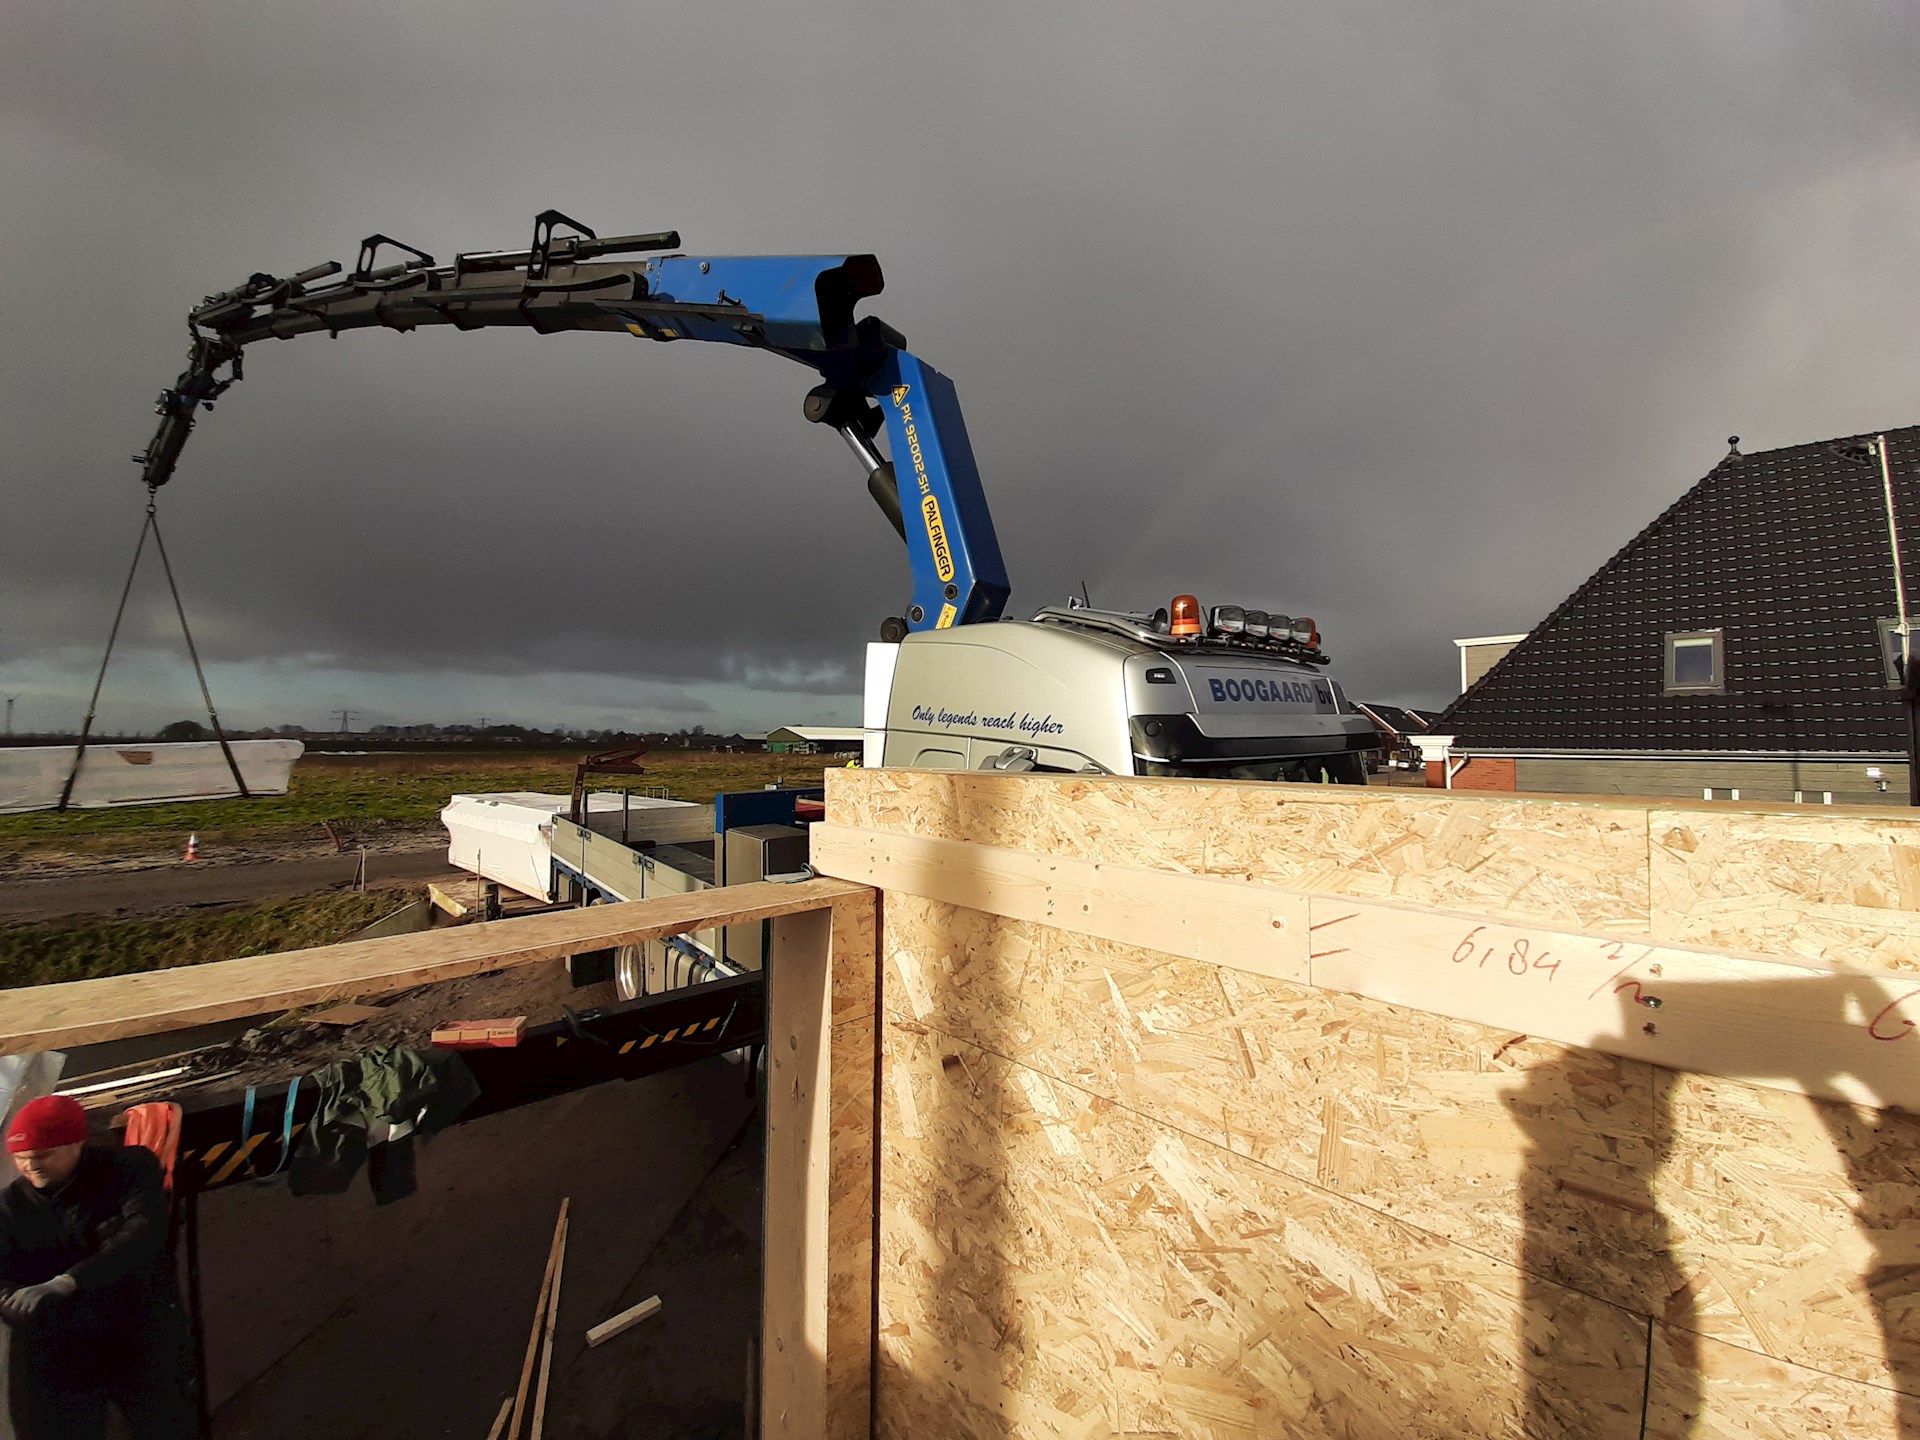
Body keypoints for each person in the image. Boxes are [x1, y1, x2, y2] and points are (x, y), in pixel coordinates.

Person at [0, 1095, 196, 1438]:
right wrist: (15, 1304)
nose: (32, 1167)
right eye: (21, 1159)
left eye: (43, 1155)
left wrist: (68, 1281)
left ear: (76, 1143)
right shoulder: (11, 1206)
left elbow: (143, 1233)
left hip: (139, 1333)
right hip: (61, 1351)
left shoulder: (128, 1169)